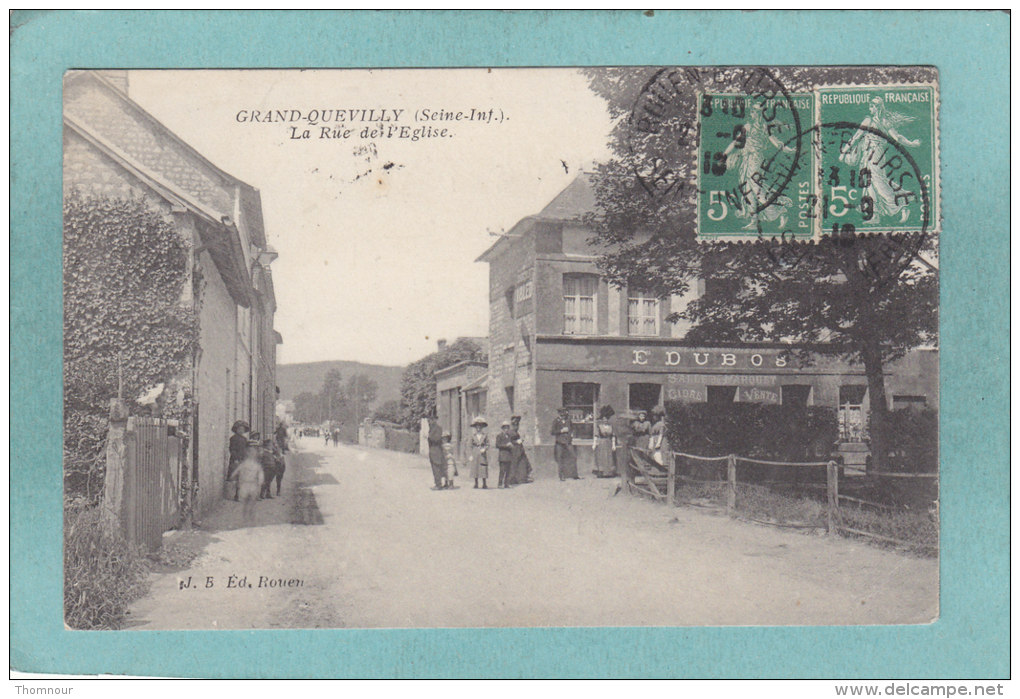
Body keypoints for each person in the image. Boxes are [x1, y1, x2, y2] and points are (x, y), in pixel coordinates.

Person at [236, 439, 264, 525]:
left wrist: (260, 481)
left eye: (254, 449)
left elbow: (259, 469)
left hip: (253, 483)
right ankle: (246, 518)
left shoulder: (258, 457)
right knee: (246, 501)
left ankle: (250, 517)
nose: (252, 451)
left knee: (251, 501)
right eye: (250, 449)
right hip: (246, 481)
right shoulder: (245, 458)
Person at [551, 408, 579, 480]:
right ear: (559, 413)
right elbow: (552, 432)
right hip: (559, 443)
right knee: (560, 459)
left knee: (574, 456)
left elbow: (572, 428)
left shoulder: (568, 420)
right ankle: (561, 476)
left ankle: (574, 475)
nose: (563, 415)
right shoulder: (556, 421)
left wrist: (571, 434)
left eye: (564, 413)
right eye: (561, 414)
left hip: (568, 442)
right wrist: (561, 431)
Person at [226, 420, 250, 501]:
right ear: (236, 429)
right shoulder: (233, 438)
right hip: (235, 460)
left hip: (243, 460)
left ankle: (238, 494)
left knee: (242, 477)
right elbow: (232, 449)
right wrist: (235, 458)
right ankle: (234, 494)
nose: (241, 431)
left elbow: (246, 449)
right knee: (235, 477)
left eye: (242, 429)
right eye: (239, 429)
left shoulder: (244, 439)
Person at [593, 405, 617, 478]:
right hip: (602, 442)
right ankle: (601, 473)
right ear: (602, 419)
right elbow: (596, 435)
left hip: (608, 442)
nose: (605, 420)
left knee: (609, 457)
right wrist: (594, 444)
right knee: (601, 457)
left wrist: (613, 444)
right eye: (604, 419)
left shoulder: (610, 426)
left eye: (606, 419)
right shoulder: (599, 426)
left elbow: (613, 435)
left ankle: (609, 473)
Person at [508, 415, 532, 485]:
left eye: (517, 424)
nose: (516, 426)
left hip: (519, 449)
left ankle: (522, 478)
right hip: (514, 451)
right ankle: (512, 479)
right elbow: (509, 441)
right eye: (514, 424)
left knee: (523, 463)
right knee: (514, 464)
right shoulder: (510, 432)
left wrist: (521, 441)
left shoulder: (516, 432)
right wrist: (516, 442)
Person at [467, 416, 489, 489]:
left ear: (482, 427)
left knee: (483, 467)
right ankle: (476, 483)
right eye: (477, 426)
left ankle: (484, 483)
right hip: (475, 452)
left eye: (480, 426)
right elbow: (469, 445)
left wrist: (485, 449)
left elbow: (488, 444)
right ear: (475, 428)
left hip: (482, 453)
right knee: (475, 467)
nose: (478, 428)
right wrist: (470, 455)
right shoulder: (473, 436)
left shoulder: (485, 435)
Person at [426, 413, 445, 490]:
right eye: (428, 420)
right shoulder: (431, 428)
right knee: (434, 468)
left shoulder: (438, 428)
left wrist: (429, 437)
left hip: (437, 450)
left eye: (430, 420)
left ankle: (439, 485)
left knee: (437, 468)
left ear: (434, 420)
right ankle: (437, 483)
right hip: (432, 451)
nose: (429, 422)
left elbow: (437, 439)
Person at [495, 420, 514, 488]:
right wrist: (506, 445)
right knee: (502, 471)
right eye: (505, 428)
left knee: (508, 471)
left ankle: (506, 483)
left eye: (507, 428)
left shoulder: (509, 436)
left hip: (508, 455)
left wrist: (511, 445)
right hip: (502, 456)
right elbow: (497, 445)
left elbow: (511, 444)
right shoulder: (499, 436)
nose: (506, 429)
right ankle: (500, 484)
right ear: (502, 428)